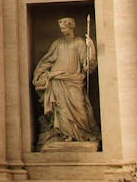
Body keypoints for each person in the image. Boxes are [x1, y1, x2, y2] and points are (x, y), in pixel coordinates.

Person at [32, 18, 100, 149]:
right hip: (57, 80)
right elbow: (49, 59)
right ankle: (65, 135)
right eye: (61, 29)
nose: (62, 31)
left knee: (80, 107)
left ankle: (82, 134)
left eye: (64, 28)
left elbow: (86, 65)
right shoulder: (58, 43)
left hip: (74, 80)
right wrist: (39, 72)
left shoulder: (79, 43)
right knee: (61, 109)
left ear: (71, 27)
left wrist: (90, 48)